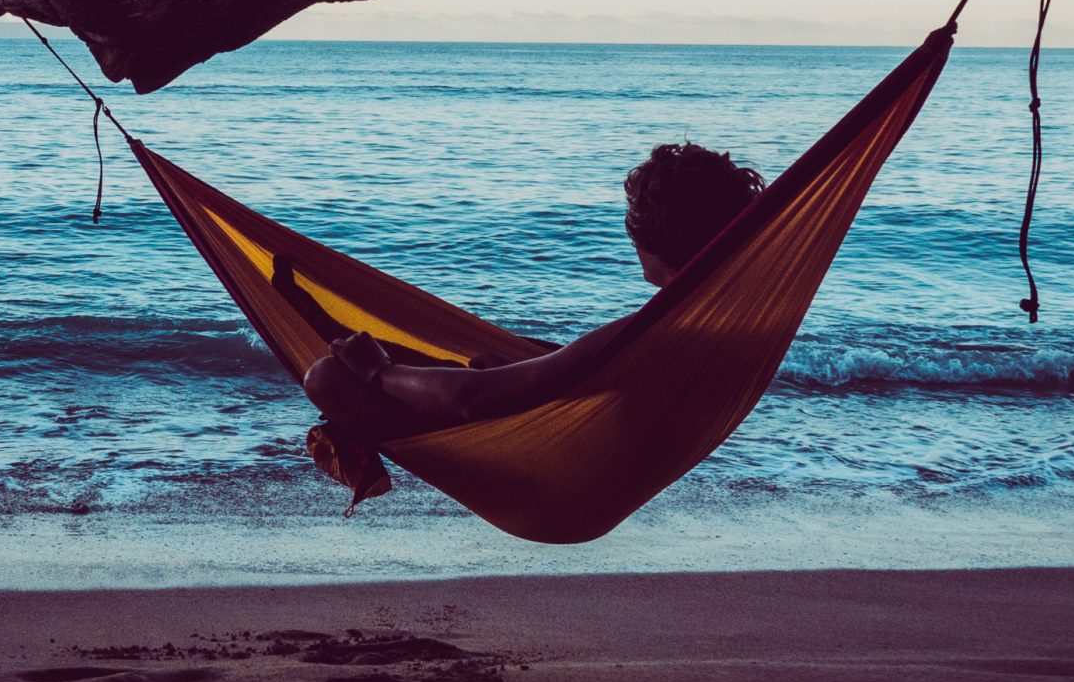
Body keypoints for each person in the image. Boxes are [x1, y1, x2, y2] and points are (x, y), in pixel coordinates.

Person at [298, 142, 764, 503]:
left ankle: (354, 419)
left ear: (649, 231)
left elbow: (469, 399)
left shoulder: (656, 332)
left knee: (330, 375)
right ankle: (354, 404)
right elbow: (608, 384)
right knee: (488, 359)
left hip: (564, 481)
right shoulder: (729, 323)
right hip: (601, 456)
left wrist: (378, 371)